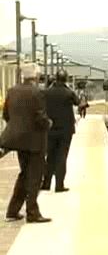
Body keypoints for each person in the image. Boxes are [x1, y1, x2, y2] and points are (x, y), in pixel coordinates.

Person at [1, 64, 52, 223]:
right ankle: (32, 212)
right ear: (36, 77)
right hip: (35, 141)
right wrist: (48, 123)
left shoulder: (12, 91)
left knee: (24, 175)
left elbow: (6, 115)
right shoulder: (37, 92)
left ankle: (12, 211)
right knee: (35, 176)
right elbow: (40, 117)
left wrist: (18, 127)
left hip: (18, 140)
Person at [42, 70, 80, 192]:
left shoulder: (46, 92)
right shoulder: (69, 93)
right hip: (65, 130)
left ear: (55, 78)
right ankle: (59, 185)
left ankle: (46, 183)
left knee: (50, 156)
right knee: (61, 156)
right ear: (66, 79)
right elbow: (78, 102)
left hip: (50, 129)